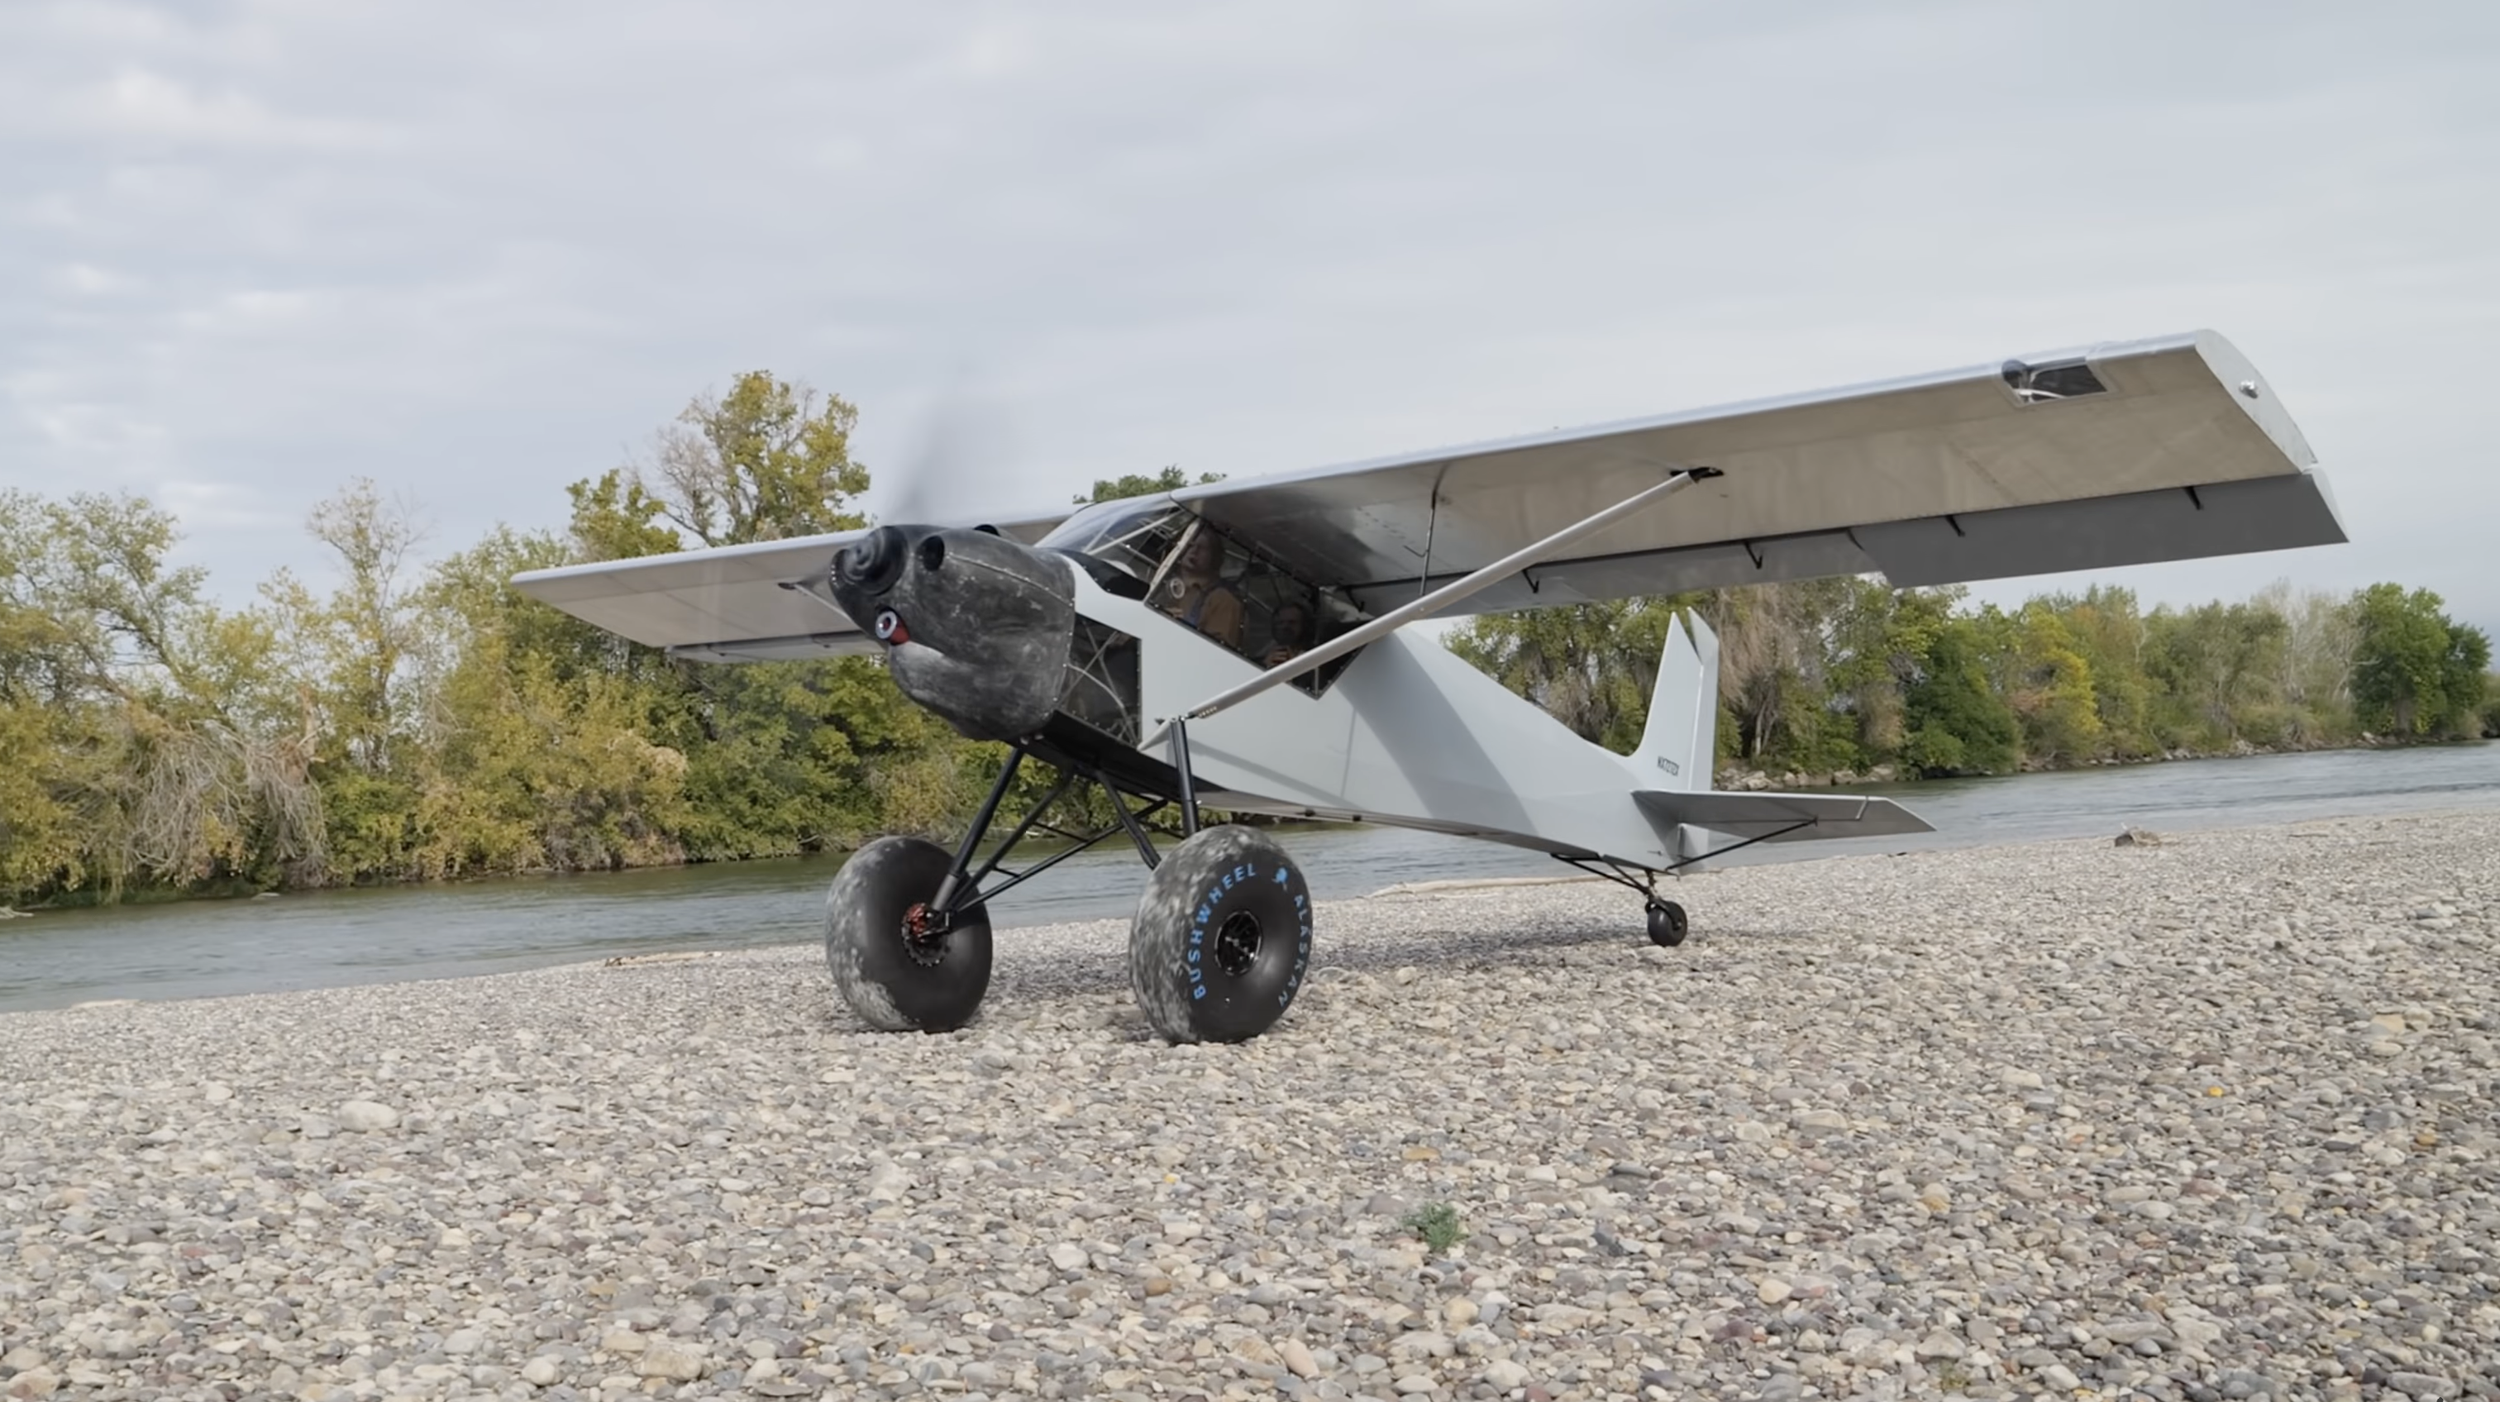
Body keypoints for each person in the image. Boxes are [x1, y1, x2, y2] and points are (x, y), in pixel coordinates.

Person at [1158, 529, 1243, 648]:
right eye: (1190, 544)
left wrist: (1178, 627)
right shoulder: (1160, 580)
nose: (1194, 551)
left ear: (1214, 557)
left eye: (1203, 548)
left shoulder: (1223, 599)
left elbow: (1215, 650)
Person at [1264, 600, 1315, 668]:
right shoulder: (1264, 655)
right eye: (1280, 623)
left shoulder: (1315, 656)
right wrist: (1264, 666)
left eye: (1291, 622)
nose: (1285, 627)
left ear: (1304, 625)